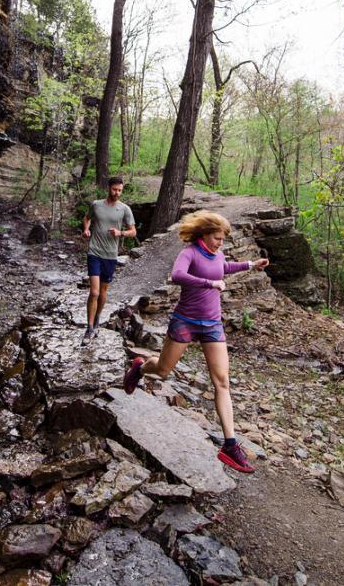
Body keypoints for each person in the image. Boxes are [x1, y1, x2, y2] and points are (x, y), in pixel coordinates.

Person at [121, 210, 269, 473]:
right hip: (185, 321)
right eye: (216, 238)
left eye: (223, 239)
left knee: (221, 382)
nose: (220, 243)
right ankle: (140, 368)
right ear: (204, 234)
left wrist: (250, 265)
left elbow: (223, 268)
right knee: (163, 370)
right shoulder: (189, 252)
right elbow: (177, 276)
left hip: (212, 324)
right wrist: (209, 284)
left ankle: (230, 445)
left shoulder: (218, 254)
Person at [81, 176, 136, 342]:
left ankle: (97, 318)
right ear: (108, 188)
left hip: (111, 255)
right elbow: (87, 218)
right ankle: (89, 329)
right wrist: (86, 229)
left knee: (103, 292)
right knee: (94, 291)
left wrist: (121, 233)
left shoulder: (124, 209)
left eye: (120, 190)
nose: (117, 193)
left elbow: (133, 231)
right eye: (114, 189)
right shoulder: (97, 205)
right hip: (94, 252)